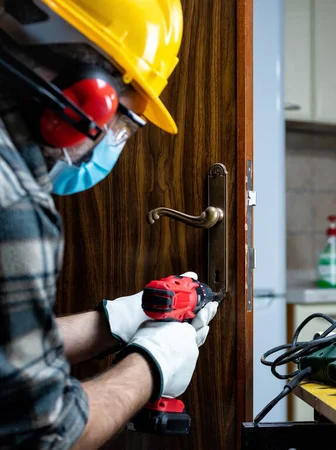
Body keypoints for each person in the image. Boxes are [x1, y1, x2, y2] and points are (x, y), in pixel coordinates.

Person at [0, 1, 219, 448]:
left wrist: (114, 322)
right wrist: (152, 362)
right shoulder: (14, 198)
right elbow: (45, 436)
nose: (116, 142)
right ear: (91, 95)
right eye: (126, 122)